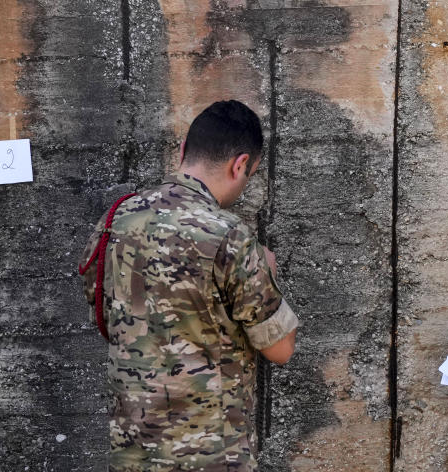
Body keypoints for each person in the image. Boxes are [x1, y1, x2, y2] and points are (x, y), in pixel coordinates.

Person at [79, 99, 299, 472]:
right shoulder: (229, 235)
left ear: (183, 150)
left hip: (133, 450)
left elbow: (104, 314)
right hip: (211, 454)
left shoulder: (116, 219)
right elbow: (280, 349)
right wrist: (269, 268)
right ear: (241, 164)